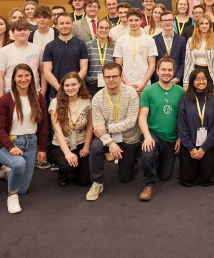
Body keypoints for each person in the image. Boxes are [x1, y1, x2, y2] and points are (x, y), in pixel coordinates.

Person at [0, 64, 48, 213]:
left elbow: (43, 125)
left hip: (31, 143)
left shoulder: (38, 97)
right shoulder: (5, 99)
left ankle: (6, 172)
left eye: (27, 75)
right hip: (8, 144)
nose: (23, 79)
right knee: (18, 165)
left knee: (23, 190)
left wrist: (42, 148)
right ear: (14, 79)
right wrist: (11, 147)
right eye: (19, 76)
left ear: (32, 77)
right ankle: (11, 197)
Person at [87, 62, 141, 201]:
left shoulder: (131, 94)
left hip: (129, 137)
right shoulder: (98, 98)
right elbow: (98, 126)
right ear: (103, 78)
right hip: (107, 137)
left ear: (121, 76)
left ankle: (133, 159)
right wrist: (110, 143)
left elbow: (131, 122)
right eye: (108, 76)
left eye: (115, 76)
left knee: (126, 178)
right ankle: (97, 183)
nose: (111, 80)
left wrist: (108, 128)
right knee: (96, 147)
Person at [138, 56, 185, 199]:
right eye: (163, 69)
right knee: (147, 151)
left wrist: (179, 137)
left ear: (174, 72)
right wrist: (146, 136)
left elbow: (183, 119)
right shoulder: (148, 91)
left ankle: (155, 159)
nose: (166, 72)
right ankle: (149, 185)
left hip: (171, 138)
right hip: (153, 133)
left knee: (165, 176)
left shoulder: (181, 92)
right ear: (157, 71)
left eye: (170, 70)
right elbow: (142, 117)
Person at [177, 68, 214, 186]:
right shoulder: (184, 99)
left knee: (207, 180)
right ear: (192, 81)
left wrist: (203, 149)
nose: (201, 81)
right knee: (188, 181)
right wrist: (191, 148)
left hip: (208, 145)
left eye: (203, 79)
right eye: (197, 79)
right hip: (189, 145)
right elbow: (182, 126)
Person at [48, 72, 93, 187]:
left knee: (84, 181)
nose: (70, 88)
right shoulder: (55, 102)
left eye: (73, 84)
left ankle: (74, 167)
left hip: (80, 145)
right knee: (67, 166)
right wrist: (67, 153)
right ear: (62, 87)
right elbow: (57, 131)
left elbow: (89, 126)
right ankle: (63, 172)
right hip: (60, 146)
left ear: (79, 85)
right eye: (67, 85)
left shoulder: (87, 101)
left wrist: (86, 147)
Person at [42, 12, 88, 106]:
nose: (65, 26)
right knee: (57, 120)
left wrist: (73, 87)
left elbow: (84, 68)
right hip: (56, 93)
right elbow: (47, 72)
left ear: (72, 25)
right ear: (57, 26)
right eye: (61, 23)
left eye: (67, 23)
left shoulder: (81, 45)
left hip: (78, 93)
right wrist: (61, 89)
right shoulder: (49, 46)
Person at [0, 19, 42, 101]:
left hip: (33, 92)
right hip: (11, 93)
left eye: (25, 30)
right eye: (19, 30)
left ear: (29, 32)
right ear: (12, 33)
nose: (22, 32)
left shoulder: (37, 49)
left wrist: (42, 92)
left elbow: (43, 72)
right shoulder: (4, 51)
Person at [113, 8, 158, 94]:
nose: (133, 23)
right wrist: (127, 84)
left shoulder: (149, 40)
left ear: (141, 20)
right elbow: (118, 66)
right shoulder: (120, 41)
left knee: (144, 108)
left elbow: (152, 65)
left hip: (145, 85)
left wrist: (143, 84)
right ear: (127, 21)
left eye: (136, 20)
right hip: (125, 85)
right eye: (131, 20)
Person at [182, 15, 214, 93]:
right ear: (197, 25)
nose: (204, 26)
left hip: (209, 74)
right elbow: (188, 63)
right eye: (202, 23)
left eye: (207, 23)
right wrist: (185, 83)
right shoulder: (191, 41)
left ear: (210, 26)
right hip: (194, 72)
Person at [152, 11, 185, 85]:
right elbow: (153, 63)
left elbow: (183, 62)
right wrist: (160, 78)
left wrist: (177, 78)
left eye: (170, 20)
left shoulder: (182, 40)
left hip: (177, 82)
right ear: (161, 22)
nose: (167, 22)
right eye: (165, 20)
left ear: (173, 21)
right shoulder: (154, 40)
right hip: (158, 81)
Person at [84, 18, 115, 96]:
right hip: (92, 85)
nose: (103, 30)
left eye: (106, 28)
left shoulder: (115, 46)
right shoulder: (88, 45)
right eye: (101, 27)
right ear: (97, 29)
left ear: (109, 30)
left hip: (110, 84)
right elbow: (85, 67)